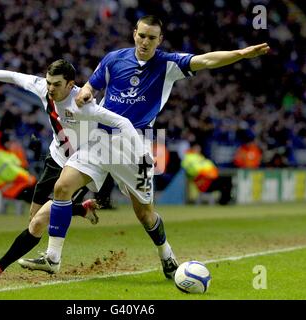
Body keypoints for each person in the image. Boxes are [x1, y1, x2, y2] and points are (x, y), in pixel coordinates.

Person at [18, 15, 269, 279]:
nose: (145, 42)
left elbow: (206, 60)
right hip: (99, 139)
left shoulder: (167, 64)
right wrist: (86, 93)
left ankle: (166, 254)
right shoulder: (114, 59)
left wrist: (240, 53)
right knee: (62, 187)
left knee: (145, 214)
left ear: (159, 40)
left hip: (133, 145)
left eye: (151, 38)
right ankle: (53, 257)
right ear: (134, 33)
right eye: (142, 35)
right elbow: (92, 85)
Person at [0, 59, 144, 278]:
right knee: (33, 219)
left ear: (70, 85)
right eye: (49, 82)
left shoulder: (85, 104)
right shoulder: (43, 87)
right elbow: (13, 76)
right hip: (55, 158)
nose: (50, 88)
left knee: (40, 221)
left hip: (80, 165)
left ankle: (0, 265)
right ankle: (81, 209)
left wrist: (139, 154)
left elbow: (123, 123)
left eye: (56, 84)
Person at [0, 131, 36, 203]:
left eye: (11, 142)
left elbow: (21, 169)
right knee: (32, 193)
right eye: (9, 142)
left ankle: (40, 212)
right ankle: (38, 212)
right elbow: (12, 173)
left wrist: (29, 178)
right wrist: (27, 178)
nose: (11, 144)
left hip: (16, 184)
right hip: (6, 187)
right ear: (4, 142)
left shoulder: (10, 154)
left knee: (36, 190)